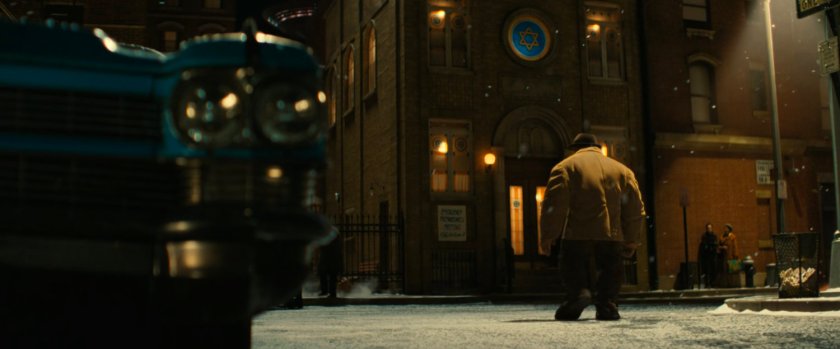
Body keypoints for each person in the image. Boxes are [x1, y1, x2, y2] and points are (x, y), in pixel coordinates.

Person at [539, 133, 646, 321]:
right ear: (598, 147)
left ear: (575, 148)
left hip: (577, 233)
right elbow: (635, 209)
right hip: (612, 234)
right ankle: (607, 303)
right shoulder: (622, 170)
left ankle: (579, 294)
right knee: (610, 269)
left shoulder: (565, 167)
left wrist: (549, 235)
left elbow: (554, 204)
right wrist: (632, 239)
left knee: (572, 266)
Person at [318, 226, 344, 298]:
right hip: (331, 260)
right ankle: (328, 292)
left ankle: (328, 292)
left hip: (329, 260)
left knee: (329, 276)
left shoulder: (331, 240)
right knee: (329, 276)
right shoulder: (337, 240)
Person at [697, 223, 720, 288]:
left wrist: (711, 246)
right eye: (708, 228)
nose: (709, 229)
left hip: (712, 256)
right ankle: (708, 284)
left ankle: (713, 283)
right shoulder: (704, 236)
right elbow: (704, 245)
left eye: (710, 228)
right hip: (707, 256)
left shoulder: (714, 236)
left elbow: (715, 244)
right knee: (707, 270)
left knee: (713, 270)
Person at [719, 223, 740, 287]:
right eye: (724, 228)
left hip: (731, 257)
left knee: (732, 272)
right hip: (724, 257)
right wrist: (722, 248)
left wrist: (736, 256)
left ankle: (732, 284)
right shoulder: (722, 237)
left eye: (726, 228)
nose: (725, 230)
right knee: (725, 271)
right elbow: (718, 246)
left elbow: (735, 247)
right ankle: (726, 284)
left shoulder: (733, 238)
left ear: (729, 230)